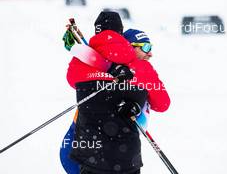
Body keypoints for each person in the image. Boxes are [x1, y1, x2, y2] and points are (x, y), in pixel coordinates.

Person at [61, 11, 170, 174]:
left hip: (89, 157)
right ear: (121, 33)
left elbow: (72, 81)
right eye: (145, 47)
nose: (150, 53)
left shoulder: (80, 63)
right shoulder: (141, 69)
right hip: (126, 161)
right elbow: (163, 104)